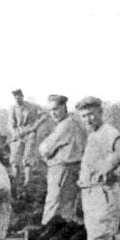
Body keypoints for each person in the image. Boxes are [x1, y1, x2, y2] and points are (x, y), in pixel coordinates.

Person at [76, 95, 120, 240]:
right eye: (84, 116)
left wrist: (107, 166)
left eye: (91, 114)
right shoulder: (94, 135)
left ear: (100, 112)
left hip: (103, 193)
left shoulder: (108, 131)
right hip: (92, 193)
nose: (88, 119)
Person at [36, 94, 86, 231]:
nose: (53, 113)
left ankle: (46, 234)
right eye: (51, 110)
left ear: (64, 108)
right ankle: (62, 235)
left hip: (62, 168)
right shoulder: (72, 123)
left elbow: (45, 148)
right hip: (72, 167)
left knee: (54, 202)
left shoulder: (65, 126)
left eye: (56, 109)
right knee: (67, 205)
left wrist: (47, 155)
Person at [7, 89, 46, 188]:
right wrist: (15, 133)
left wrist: (35, 126)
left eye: (19, 96)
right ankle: (15, 181)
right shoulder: (13, 108)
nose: (17, 99)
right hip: (18, 134)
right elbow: (11, 124)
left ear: (22, 96)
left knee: (28, 158)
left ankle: (27, 182)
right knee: (15, 158)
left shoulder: (31, 107)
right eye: (15, 97)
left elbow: (44, 115)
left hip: (30, 134)